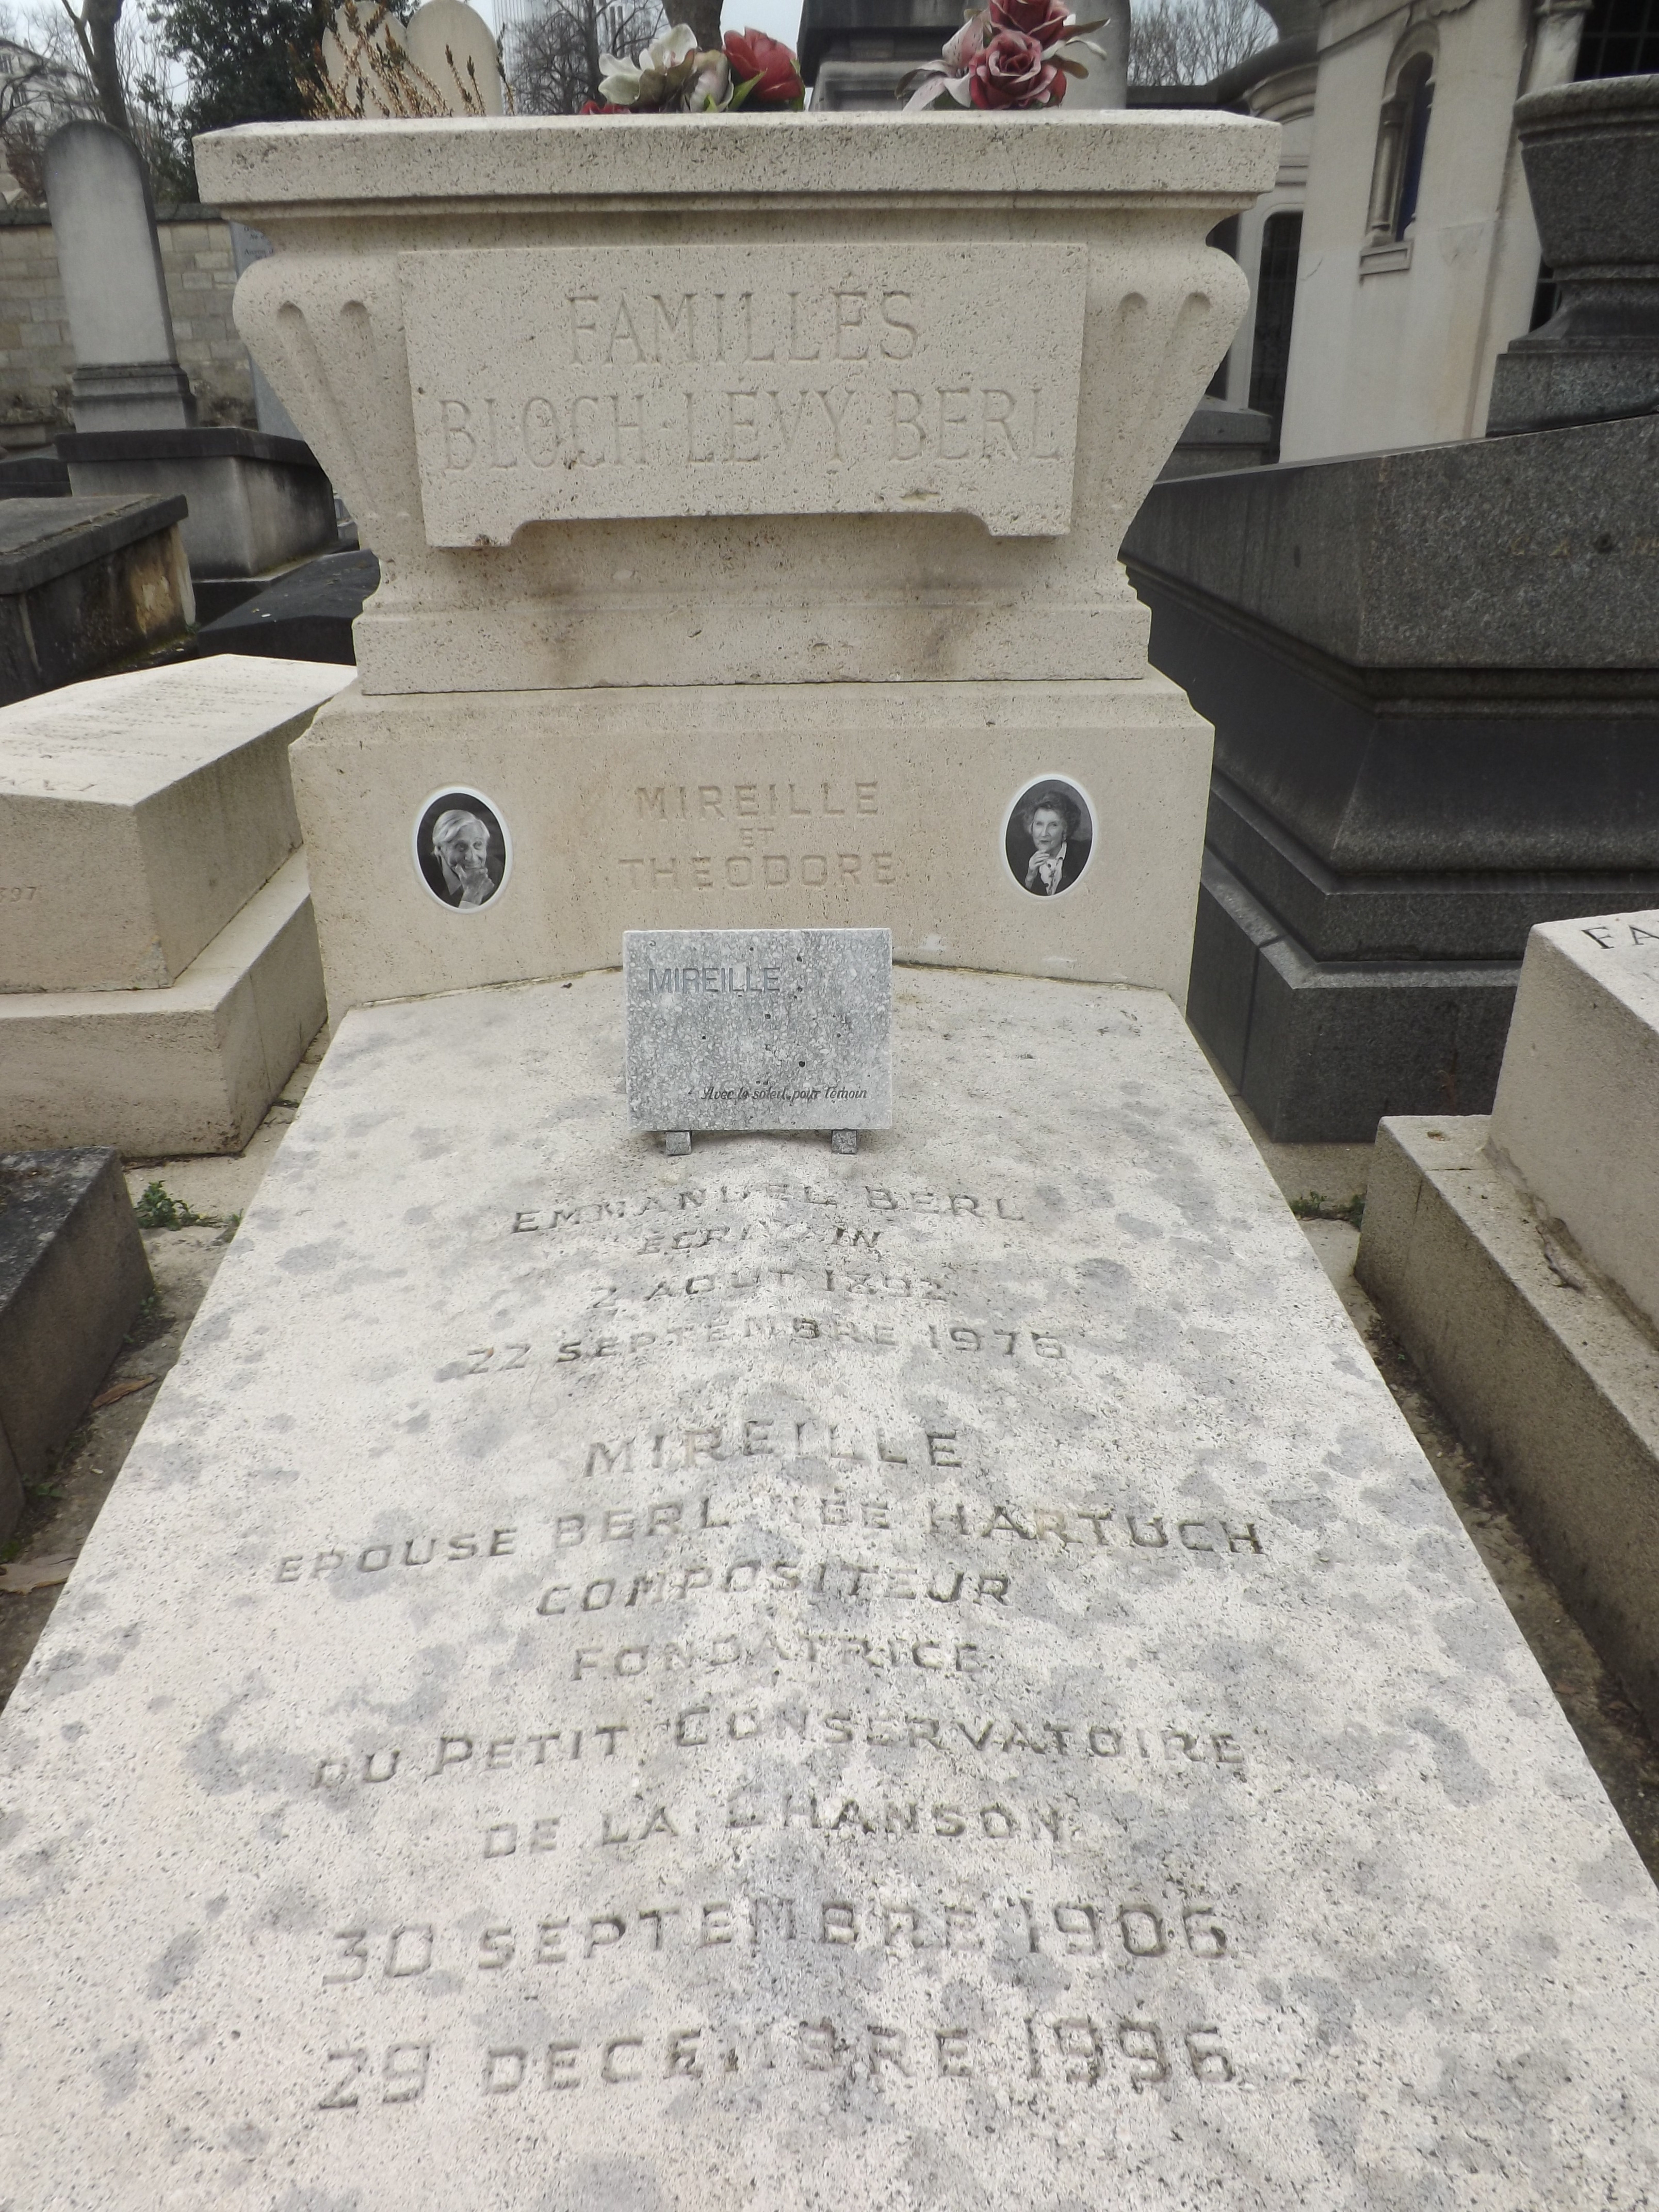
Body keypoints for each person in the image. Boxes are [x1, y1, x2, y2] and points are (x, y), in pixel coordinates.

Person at [1016, 787, 1088, 896]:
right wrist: (1030, 878)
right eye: (1039, 824)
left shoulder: (1083, 855)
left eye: (1053, 825)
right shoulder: (1019, 859)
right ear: (1031, 827)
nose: (1044, 833)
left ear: (1065, 829)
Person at [431, 808, 496, 908]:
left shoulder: (496, 869)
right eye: (461, 846)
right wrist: (471, 896)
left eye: (478, 844)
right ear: (440, 849)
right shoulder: (425, 878)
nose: (472, 858)